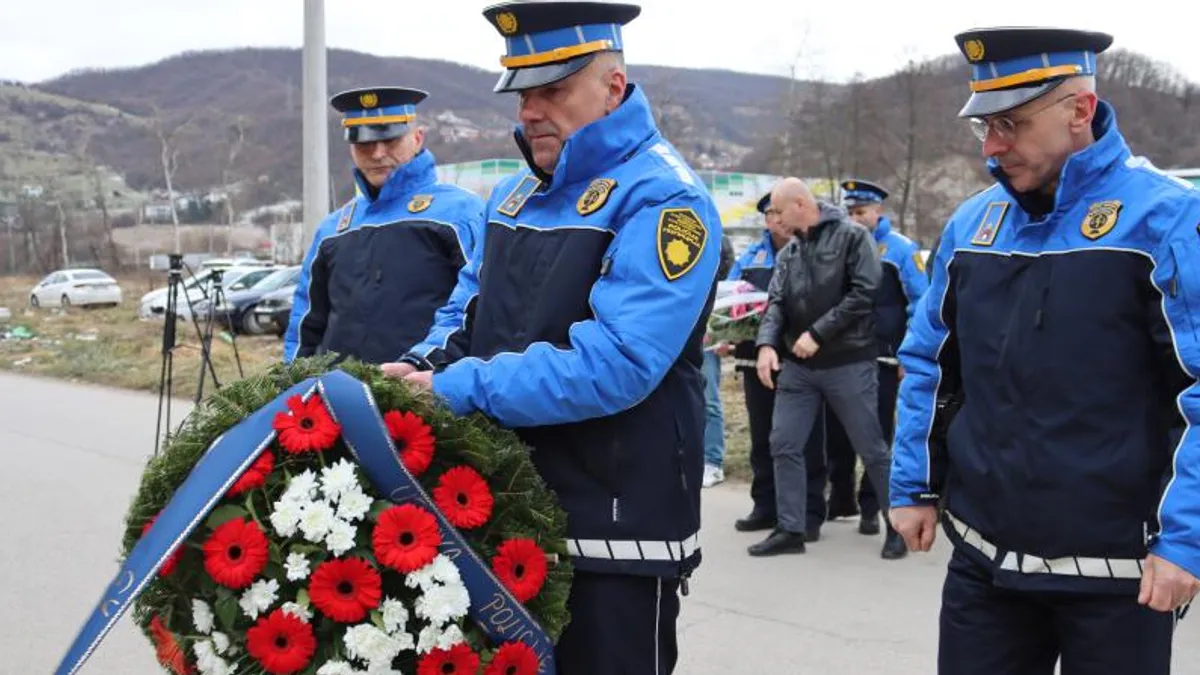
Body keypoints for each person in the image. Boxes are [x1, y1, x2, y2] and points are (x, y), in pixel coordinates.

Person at [383, 2, 723, 672]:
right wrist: (414, 370)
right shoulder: (510, 197)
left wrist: (456, 387)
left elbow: (618, 361)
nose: (529, 111)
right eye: (522, 92)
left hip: (615, 534)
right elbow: (472, 320)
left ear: (614, 88)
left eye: (553, 90)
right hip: (503, 514)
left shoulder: (664, 199)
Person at [889, 27, 1200, 674]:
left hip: (1118, 572)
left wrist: (1187, 540)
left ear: (1080, 112)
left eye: (1011, 124)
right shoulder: (972, 225)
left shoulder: (1168, 220)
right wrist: (913, 485)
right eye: (984, 128)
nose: (994, 148)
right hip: (984, 563)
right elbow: (928, 360)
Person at [748, 177, 903, 559]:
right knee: (783, 443)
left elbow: (863, 293)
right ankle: (790, 528)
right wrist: (767, 344)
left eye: (779, 212)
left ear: (801, 204)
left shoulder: (852, 238)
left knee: (871, 448)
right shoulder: (790, 252)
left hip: (848, 361)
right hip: (799, 367)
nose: (776, 221)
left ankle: (896, 526)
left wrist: (818, 333)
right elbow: (777, 302)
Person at [284, 87, 484, 364]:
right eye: (364, 143)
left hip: (425, 392)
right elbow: (306, 323)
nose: (377, 153)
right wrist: (293, 383)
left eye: (389, 139)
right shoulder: (334, 228)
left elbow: (478, 309)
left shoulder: (460, 213)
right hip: (339, 396)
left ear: (417, 138)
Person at [823, 179, 927, 553]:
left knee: (878, 439)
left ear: (878, 211)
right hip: (845, 358)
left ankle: (884, 516)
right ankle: (852, 504)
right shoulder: (841, 248)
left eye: (861, 212)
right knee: (841, 434)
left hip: (883, 358)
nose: (855, 218)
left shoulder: (899, 250)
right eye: (850, 212)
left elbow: (921, 303)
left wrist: (908, 353)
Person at [729, 192, 831, 540]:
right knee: (763, 437)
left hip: (802, 359)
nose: (778, 219)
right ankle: (766, 505)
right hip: (754, 357)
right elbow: (730, 298)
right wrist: (726, 331)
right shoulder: (751, 256)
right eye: (772, 214)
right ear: (767, 219)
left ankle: (810, 511)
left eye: (781, 212)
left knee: (807, 438)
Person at [701, 234, 736, 488]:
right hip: (679, 336)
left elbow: (727, 267)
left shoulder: (718, 237)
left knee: (709, 401)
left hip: (708, 337)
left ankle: (713, 462)